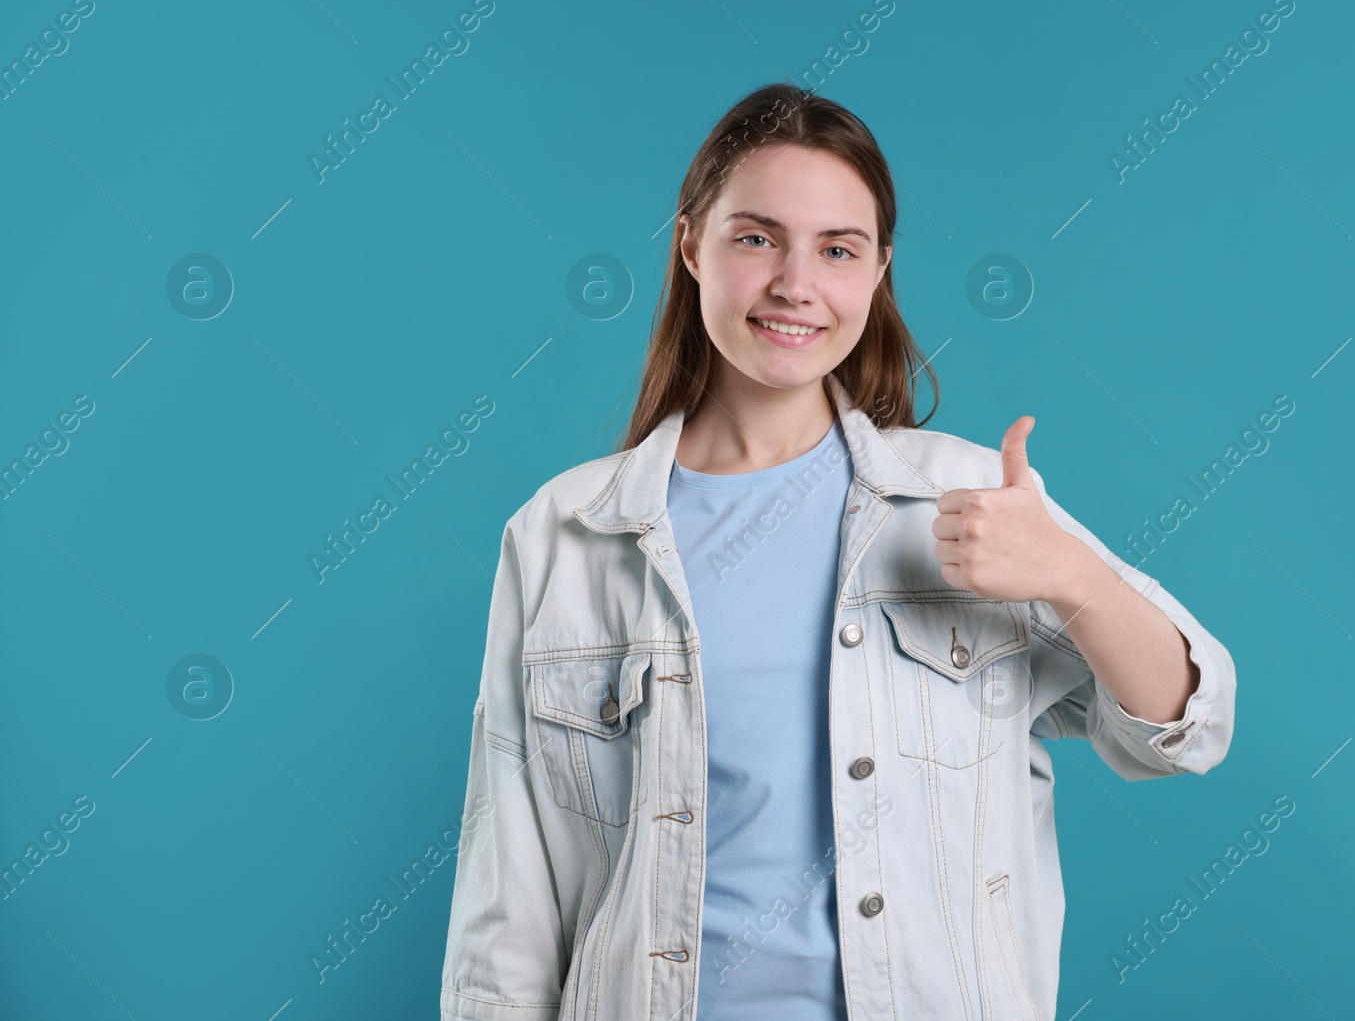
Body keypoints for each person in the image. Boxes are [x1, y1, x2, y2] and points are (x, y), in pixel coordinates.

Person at [439, 83, 1236, 1021]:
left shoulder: (967, 498)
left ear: (878, 271)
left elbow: (1187, 725)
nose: (794, 283)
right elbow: (507, 905)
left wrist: (1068, 574)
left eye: (837, 249)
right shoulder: (563, 534)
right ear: (690, 244)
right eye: (756, 237)